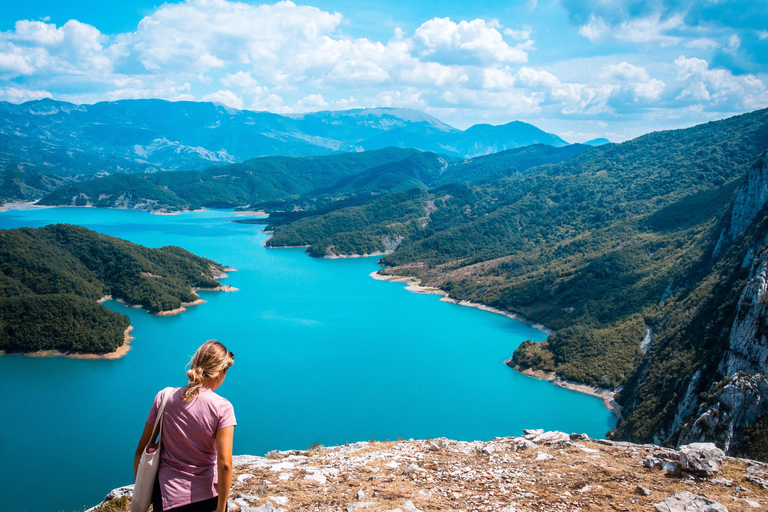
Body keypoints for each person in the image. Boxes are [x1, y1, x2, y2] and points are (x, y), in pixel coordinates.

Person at [134, 340, 236, 512]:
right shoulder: (223, 408)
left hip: (166, 496)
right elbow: (225, 464)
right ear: (221, 372)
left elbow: (141, 449)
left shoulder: (164, 397)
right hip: (207, 497)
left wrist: (141, 490)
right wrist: (220, 508)